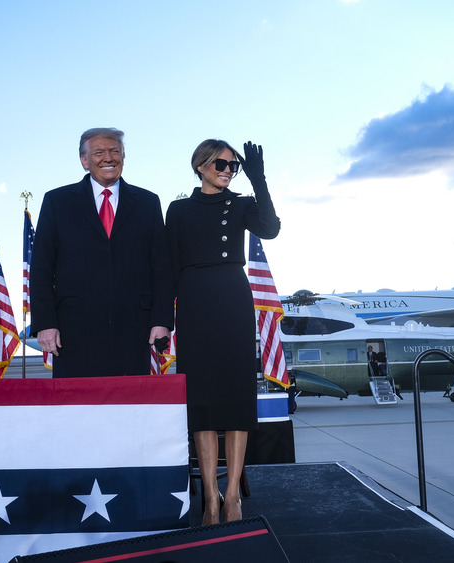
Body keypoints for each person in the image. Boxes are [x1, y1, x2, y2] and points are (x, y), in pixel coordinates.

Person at [166, 139, 280, 525]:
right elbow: (170, 267)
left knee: (234, 397)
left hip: (233, 297)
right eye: (220, 164)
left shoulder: (243, 204)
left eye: (234, 165)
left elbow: (271, 228)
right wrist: (165, 319)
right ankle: (210, 499)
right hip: (195, 301)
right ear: (200, 165)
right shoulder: (178, 210)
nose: (228, 170)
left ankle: (233, 497)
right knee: (202, 402)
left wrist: (259, 180)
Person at [30, 127, 173, 377]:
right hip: (73, 332)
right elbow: (41, 269)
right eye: (99, 152)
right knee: (77, 409)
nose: (108, 157)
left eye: (114, 151)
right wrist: (45, 323)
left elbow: (161, 268)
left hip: (134, 330)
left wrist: (161, 320)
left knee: (130, 409)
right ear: (84, 161)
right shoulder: (57, 202)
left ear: (123, 157)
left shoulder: (148, 203)